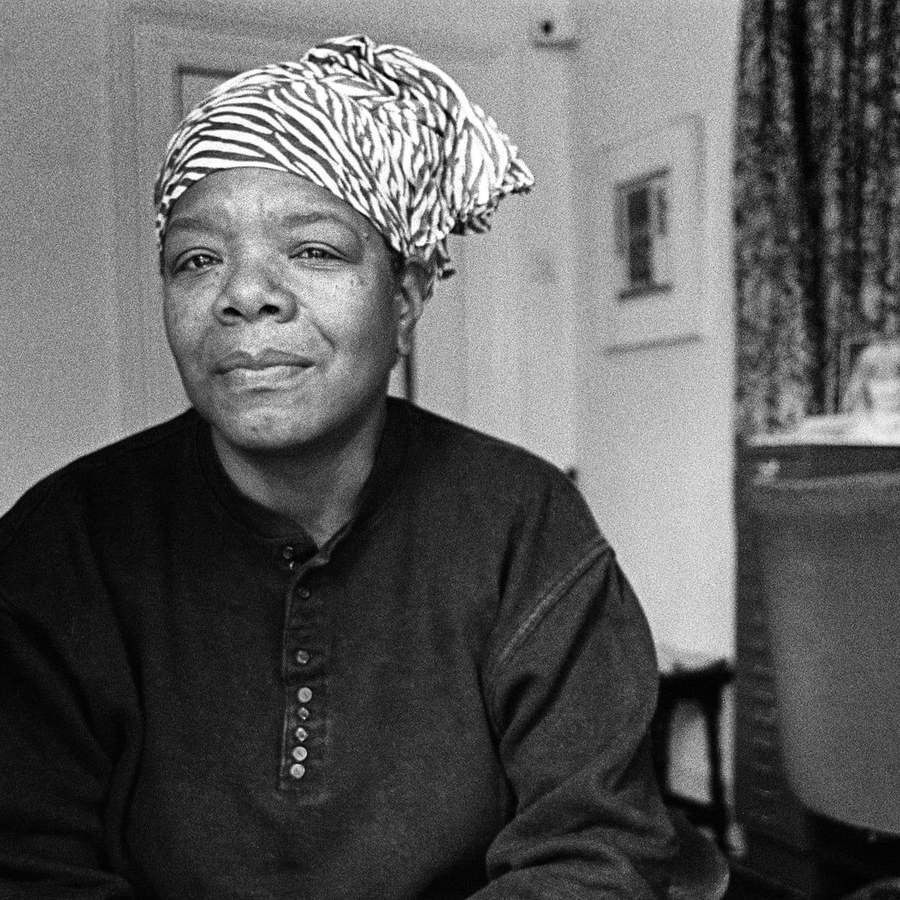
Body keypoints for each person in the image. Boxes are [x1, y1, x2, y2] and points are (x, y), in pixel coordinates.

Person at [0, 35, 681, 898]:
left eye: (314, 250)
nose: (245, 293)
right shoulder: (61, 549)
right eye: (197, 259)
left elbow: (596, 848)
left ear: (403, 301)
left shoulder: (524, 524)